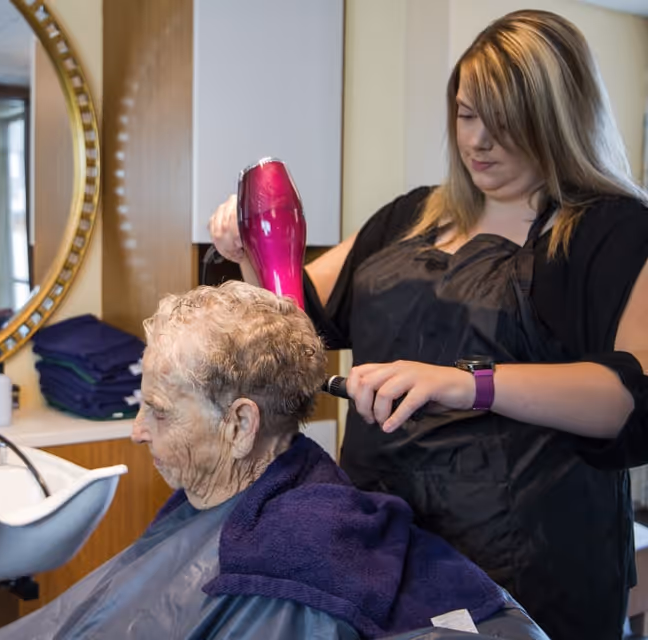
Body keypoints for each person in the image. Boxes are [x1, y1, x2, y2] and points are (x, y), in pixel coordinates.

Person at [209, 10, 648, 640]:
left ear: (559, 117)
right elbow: (296, 327)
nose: (478, 142)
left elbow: (629, 399)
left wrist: (465, 382)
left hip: (529, 569)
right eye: (467, 115)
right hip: (383, 545)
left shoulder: (612, 230)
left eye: (504, 122)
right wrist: (252, 254)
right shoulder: (410, 217)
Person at [0, 282, 548, 640]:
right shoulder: (259, 496)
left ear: (240, 426)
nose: (137, 432)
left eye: (158, 412)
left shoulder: (294, 559)